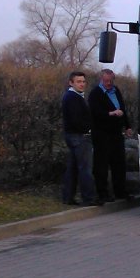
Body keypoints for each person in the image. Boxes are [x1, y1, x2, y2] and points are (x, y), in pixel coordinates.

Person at [88, 69, 133, 202]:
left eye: (111, 81)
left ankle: (120, 191)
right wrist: (111, 113)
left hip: (116, 133)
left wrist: (127, 126)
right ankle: (103, 193)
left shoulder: (116, 91)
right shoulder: (96, 93)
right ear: (101, 80)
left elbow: (122, 109)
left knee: (119, 163)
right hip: (102, 133)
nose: (108, 83)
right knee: (101, 164)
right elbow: (95, 113)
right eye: (106, 81)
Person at [61, 71, 98, 206]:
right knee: (85, 169)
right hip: (80, 137)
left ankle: (68, 197)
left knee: (72, 168)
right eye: (78, 82)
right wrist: (88, 128)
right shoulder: (73, 98)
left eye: (83, 81)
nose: (82, 84)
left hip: (73, 136)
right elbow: (76, 120)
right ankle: (89, 198)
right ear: (71, 83)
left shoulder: (74, 96)